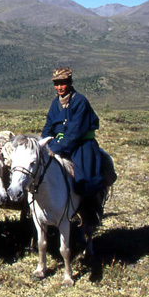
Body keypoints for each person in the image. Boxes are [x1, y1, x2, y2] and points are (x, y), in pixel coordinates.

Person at [41, 67, 109, 225]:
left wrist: (55, 148)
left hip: (81, 147)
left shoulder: (80, 102)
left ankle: (89, 214)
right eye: (56, 84)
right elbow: (48, 127)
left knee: (84, 180)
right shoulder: (55, 103)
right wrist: (46, 143)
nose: (59, 87)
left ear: (70, 83)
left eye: (62, 83)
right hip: (58, 144)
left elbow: (75, 133)